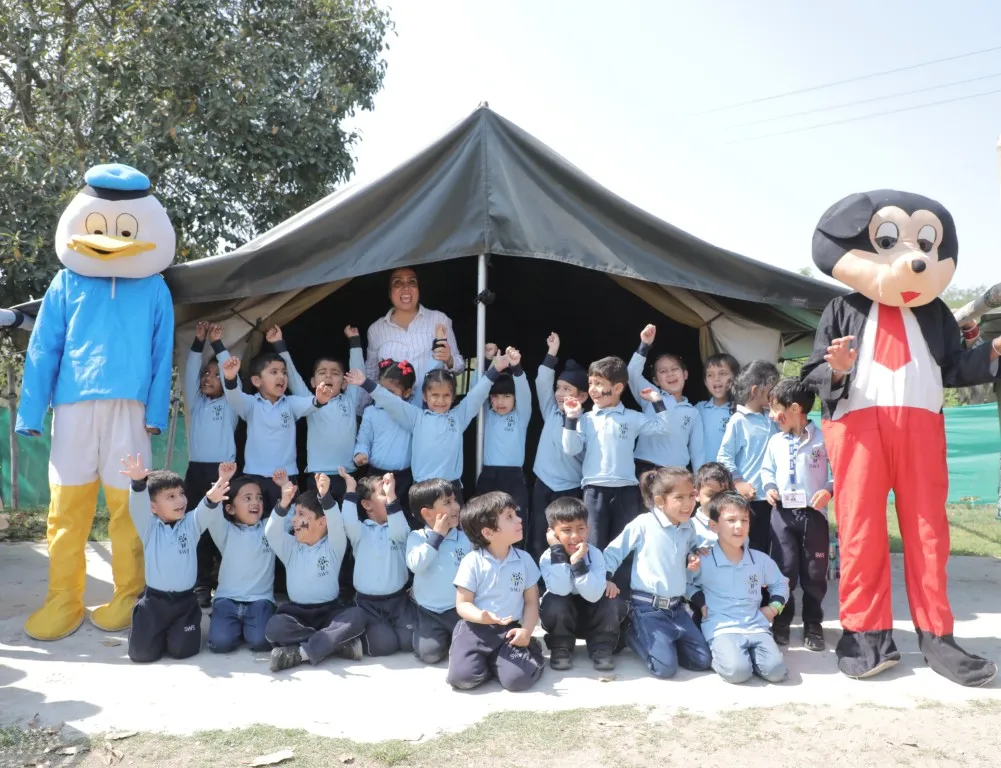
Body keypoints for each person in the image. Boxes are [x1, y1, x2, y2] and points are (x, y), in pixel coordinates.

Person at [562, 355, 671, 590]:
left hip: (626, 490)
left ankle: (621, 599)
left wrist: (657, 400)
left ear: (618, 388)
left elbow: (663, 427)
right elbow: (570, 448)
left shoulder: (631, 417)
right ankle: (592, 594)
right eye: (591, 383)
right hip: (594, 490)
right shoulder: (586, 419)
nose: (593, 389)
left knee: (625, 545)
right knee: (593, 544)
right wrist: (571, 419)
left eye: (599, 383)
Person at [345, 353, 510, 504]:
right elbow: (391, 401)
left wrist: (495, 369)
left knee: (452, 526)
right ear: (424, 396)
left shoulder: (459, 417)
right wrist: (366, 383)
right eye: (435, 395)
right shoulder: (416, 417)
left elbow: (476, 395)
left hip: (451, 488)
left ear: (453, 397)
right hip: (422, 488)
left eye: (446, 395)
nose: (440, 400)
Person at [603, 467, 711, 679]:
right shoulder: (644, 523)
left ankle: (665, 641)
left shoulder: (688, 526)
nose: (688, 503)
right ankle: (632, 631)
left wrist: (692, 556)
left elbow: (689, 549)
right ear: (660, 501)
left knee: (702, 661)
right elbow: (614, 551)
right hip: (647, 608)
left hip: (677, 609)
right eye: (679, 497)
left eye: (691, 495)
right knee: (665, 669)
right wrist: (606, 577)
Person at [121, 455, 229, 663]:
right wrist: (138, 484)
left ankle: (173, 632)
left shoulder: (190, 525)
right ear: (153, 507)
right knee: (141, 655)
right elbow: (138, 506)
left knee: (183, 651)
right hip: (154, 602)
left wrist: (212, 498)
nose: (180, 500)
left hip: (184, 603)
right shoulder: (149, 527)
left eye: (181, 493)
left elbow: (203, 512)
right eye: (170, 496)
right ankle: (148, 630)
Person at [263, 474, 368, 672]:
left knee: (357, 616)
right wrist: (284, 503)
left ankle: (301, 653)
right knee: (274, 628)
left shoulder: (334, 545)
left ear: (321, 522)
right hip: (297, 615)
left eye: (301, 514)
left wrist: (325, 496)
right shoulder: (290, 547)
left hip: (330, 613)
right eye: (295, 513)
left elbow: (335, 522)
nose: (294, 520)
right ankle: (335, 644)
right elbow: (271, 532)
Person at [760, 377, 833, 652]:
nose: (771, 415)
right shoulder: (775, 441)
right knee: (784, 569)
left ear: (793, 409)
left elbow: (838, 471)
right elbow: (766, 470)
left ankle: (813, 624)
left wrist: (828, 490)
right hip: (782, 515)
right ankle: (781, 622)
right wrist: (769, 486)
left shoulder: (823, 440)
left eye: (775, 408)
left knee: (814, 572)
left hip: (814, 516)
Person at [446, 492, 545, 692]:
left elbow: (531, 602)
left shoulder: (524, 560)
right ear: (488, 532)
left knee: (518, 681)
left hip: (509, 631)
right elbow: (463, 604)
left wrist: (526, 631)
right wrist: (480, 616)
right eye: (509, 516)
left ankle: (528, 651)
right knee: (461, 679)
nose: (519, 519)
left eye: (515, 514)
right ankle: (495, 662)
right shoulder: (472, 561)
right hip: (475, 629)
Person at [690, 492, 790, 685]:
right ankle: (725, 657)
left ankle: (749, 657)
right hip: (721, 628)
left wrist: (774, 608)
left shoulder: (760, 560)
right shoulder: (703, 560)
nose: (739, 526)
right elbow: (686, 583)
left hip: (756, 626)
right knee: (737, 672)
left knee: (776, 672)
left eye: (744, 520)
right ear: (714, 526)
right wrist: (699, 600)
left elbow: (781, 583)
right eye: (731, 520)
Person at [221, 354, 335, 512]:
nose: (281, 376)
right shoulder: (251, 404)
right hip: (255, 475)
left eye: (284, 372)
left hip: (286, 477)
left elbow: (310, 404)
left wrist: (320, 399)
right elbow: (234, 397)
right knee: (255, 518)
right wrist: (230, 377)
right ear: (257, 381)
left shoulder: (290, 403)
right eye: (274, 372)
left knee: (287, 520)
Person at [269, 325, 364, 501]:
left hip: (347, 475)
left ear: (344, 383)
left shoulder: (350, 400)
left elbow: (358, 371)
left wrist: (355, 341)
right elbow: (293, 377)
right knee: (317, 517)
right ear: (313, 382)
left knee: (347, 516)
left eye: (335, 373)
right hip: (318, 476)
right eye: (322, 372)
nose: (328, 376)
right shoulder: (310, 401)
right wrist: (279, 344)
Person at [184, 322, 238, 608]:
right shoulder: (196, 403)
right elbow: (190, 371)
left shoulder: (231, 404)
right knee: (198, 528)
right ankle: (201, 584)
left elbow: (231, 376)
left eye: (216, 375)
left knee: (225, 528)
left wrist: (217, 344)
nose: (209, 378)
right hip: (196, 472)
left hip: (223, 473)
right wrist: (198, 341)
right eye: (207, 373)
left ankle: (228, 584)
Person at [539, 497, 626, 671]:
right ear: (552, 534)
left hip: (591, 618)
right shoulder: (548, 557)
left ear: (588, 529)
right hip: (563, 619)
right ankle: (561, 647)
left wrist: (578, 563)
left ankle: (602, 647)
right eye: (566, 530)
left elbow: (593, 595)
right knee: (553, 601)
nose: (575, 536)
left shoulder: (595, 554)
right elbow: (561, 589)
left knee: (611, 598)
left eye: (581, 528)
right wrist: (559, 553)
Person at [338, 468, 415, 656]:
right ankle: (350, 642)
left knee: (409, 641)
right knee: (384, 645)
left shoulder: (398, 528)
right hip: (368, 604)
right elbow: (348, 520)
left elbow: (400, 529)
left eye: (391, 493)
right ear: (367, 504)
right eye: (383, 494)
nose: (389, 497)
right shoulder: (360, 532)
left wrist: (391, 496)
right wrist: (350, 488)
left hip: (398, 601)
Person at [363, 268, 464, 410]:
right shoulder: (376, 329)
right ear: (390, 293)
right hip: (391, 411)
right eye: (398, 283)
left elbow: (459, 366)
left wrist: (449, 360)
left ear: (419, 290)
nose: (406, 288)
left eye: (412, 282)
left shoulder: (439, 319)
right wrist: (360, 413)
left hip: (430, 411)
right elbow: (371, 374)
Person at [528, 333, 587, 560]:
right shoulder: (551, 411)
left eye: (567, 389)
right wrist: (552, 352)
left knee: (567, 536)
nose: (560, 394)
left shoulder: (588, 422)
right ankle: (539, 576)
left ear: (583, 396)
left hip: (570, 488)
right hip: (543, 484)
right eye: (559, 388)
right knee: (539, 533)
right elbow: (542, 381)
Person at [204, 474, 276, 653]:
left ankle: (247, 626)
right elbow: (211, 512)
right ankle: (228, 623)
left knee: (261, 642)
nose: (255, 502)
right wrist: (221, 481)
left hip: (260, 600)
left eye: (259, 498)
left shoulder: (269, 527)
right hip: (227, 599)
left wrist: (284, 487)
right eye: (247, 498)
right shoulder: (225, 530)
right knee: (221, 644)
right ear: (230, 509)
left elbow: (288, 515)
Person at [717, 360, 780, 554]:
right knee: (753, 549)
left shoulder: (774, 418)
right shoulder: (738, 420)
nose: (776, 393)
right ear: (756, 390)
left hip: (775, 496)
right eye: (772, 388)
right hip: (752, 499)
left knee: (774, 547)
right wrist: (738, 482)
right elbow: (724, 456)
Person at [406, 479, 468, 664]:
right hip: (428, 611)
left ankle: (453, 638)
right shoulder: (417, 537)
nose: (456, 507)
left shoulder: (465, 538)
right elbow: (416, 565)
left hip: (458, 609)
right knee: (429, 654)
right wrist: (436, 537)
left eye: (455, 500)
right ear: (427, 513)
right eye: (447, 502)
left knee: (468, 647)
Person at [628, 324, 705, 473]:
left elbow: (697, 450)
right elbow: (631, 374)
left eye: (675, 369)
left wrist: (700, 479)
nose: (670, 374)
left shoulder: (693, 412)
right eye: (663, 371)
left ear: (685, 374)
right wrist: (644, 345)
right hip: (646, 469)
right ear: (656, 380)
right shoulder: (650, 394)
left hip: (676, 473)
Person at [354, 359, 419, 526]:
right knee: (372, 518)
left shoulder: (411, 413)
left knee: (403, 519)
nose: (383, 396)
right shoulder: (371, 412)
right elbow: (363, 439)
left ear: (407, 393)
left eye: (390, 392)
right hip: (375, 477)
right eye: (380, 389)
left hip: (404, 478)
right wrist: (361, 453)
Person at [475, 344, 532, 523]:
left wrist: (516, 367)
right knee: (485, 521)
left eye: (507, 396)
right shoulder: (485, 415)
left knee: (514, 521)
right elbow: (477, 390)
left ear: (514, 398)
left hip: (513, 477)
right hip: (488, 475)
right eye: (496, 396)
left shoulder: (521, 416)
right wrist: (486, 361)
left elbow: (524, 393)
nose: (500, 401)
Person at [695, 353, 740, 472]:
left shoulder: (739, 411)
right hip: (702, 476)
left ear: (736, 377)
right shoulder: (698, 409)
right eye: (710, 375)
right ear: (705, 381)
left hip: (731, 476)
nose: (716, 378)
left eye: (723, 373)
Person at [692, 462, 734, 546]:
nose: (718, 500)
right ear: (696, 495)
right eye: (711, 495)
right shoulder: (689, 527)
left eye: (723, 494)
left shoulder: (736, 523)